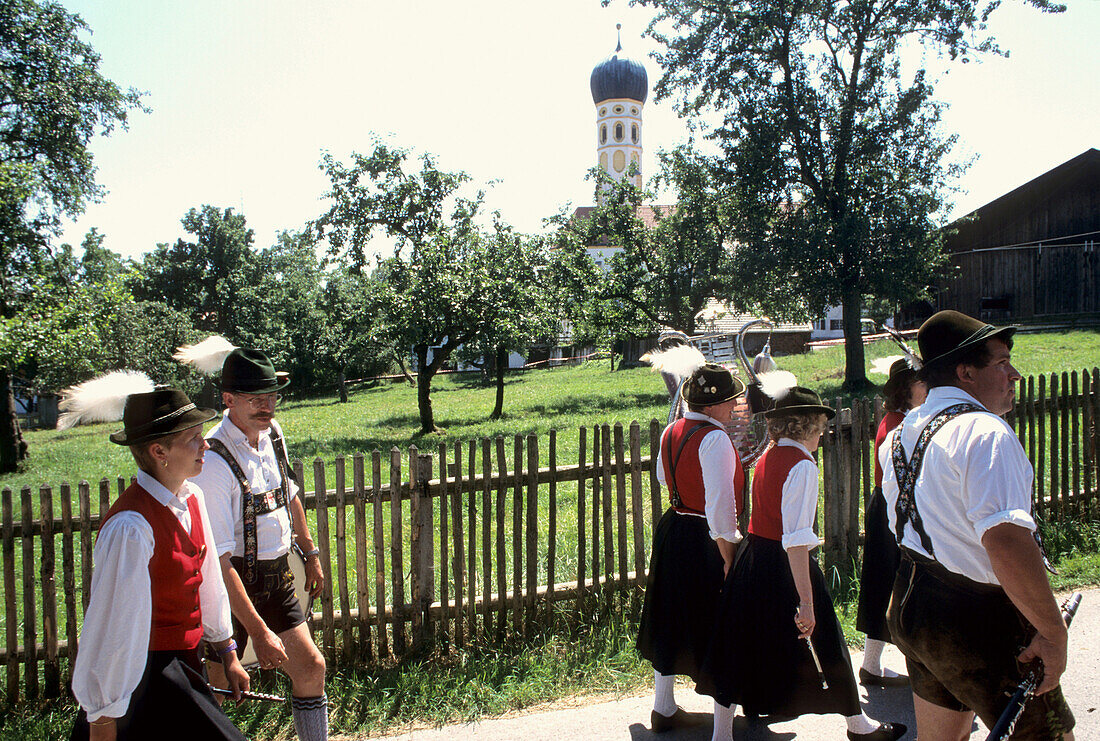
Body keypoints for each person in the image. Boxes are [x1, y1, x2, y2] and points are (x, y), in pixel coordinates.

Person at [881, 310, 1075, 739]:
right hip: (980, 620)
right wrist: (1051, 632)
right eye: (1002, 362)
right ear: (966, 372)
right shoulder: (984, 432)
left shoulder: (904, 433)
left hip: (915, 604)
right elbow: (1005, 544)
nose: (1016, 374)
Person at [699, 382, 906, 741]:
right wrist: (807, 602)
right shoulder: (802, 465)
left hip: (752, 556)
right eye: (820, 424)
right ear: (806, 425)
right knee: (826, 640)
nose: (823, 432)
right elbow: (795, 541)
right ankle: (859, 726)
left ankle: (722, 735)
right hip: (782, 561)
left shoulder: (769, 453)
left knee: (736, 642)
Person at [70, 387, 250, 741]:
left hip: (183, 666)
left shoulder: (192, 498)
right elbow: (112, 630)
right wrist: (104, 719)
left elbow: (209, 583)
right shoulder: (131, 528)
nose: (206, 446)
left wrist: (227, 650)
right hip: (144, 678)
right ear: (159, 452)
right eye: (193, 439)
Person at [191, 349, 329, 741]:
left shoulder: (273, 435)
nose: (266, 406)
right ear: (228, 399)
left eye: (271, 396)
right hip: (232, 588)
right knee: (218, 691)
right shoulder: (214, 461)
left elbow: (289, 495)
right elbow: (217, 562)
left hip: (278, 576)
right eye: (255, 399)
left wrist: (310, 552)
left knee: (310, 668)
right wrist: (259, 630)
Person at [637, 363, 746, 741]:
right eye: (731, 400)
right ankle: (722, 733)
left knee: (669, 616)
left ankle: (663, 707)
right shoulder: (714, 439)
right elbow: (720, 504)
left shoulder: (673, 430)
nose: (735, 406)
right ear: (715, 405)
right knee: (720, 626)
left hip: (675, 528)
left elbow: (663, 478)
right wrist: (728, 552)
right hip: (706, 536)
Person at [855, 357, 926, 686]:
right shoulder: (900, 425)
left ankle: (872, 666)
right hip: (894, 511)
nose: (927, 387)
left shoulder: (903, 419)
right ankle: (919, 668)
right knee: (900, 584)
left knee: (887, 583)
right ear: (905, 389)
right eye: (921, 382)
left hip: (891, 507)